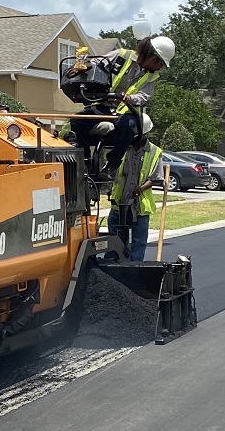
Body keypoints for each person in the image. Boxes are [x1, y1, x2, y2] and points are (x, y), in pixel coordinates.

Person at [69, 35, 174, 181]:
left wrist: (130, 98)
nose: (161, 68)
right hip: (102, 107)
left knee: (127, 125)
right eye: (161, 64)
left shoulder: (151, 77)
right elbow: (98, 62)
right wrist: (84, 66)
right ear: (153, 58)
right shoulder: (121, 55)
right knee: (78, 121)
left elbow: (144, 96)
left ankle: (111, 166)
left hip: (124, 112)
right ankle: (84, 163)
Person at [107, 114, 163, 262]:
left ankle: (134, 271)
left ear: (142, 133)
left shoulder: (154, 152)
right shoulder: (123, 149)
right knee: (115, 241)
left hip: (139, 206)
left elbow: (155, 178)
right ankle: (111, 269)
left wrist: (140, 189)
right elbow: (112, 171)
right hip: (119, 204)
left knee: (138, 242)